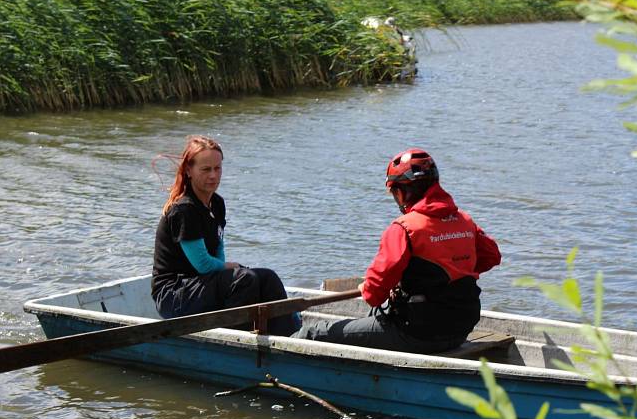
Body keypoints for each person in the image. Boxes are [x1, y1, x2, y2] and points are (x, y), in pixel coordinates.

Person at [292, 148, 501, 353]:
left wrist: (370, 287)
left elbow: (374, 294)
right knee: (376, 315)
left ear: (401, 193)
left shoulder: (404, 228)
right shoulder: (464, 221)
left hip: (416, 334)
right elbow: (491, 256)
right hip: (459, 331)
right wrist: (452, 268)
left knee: (314, 334)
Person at [151, 135, 300, 335]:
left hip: (201, 286)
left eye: (217, 168)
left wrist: (229, 271)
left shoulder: (217, 204)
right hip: (174, 295)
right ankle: (236, 338)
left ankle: (290, 334)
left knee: (266, 278)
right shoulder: (184, 210)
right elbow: (203, 264)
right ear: (189, 171)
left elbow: (218, 251)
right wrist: (232, 269)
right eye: (205, 169)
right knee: (244, 279)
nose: (213, 175)